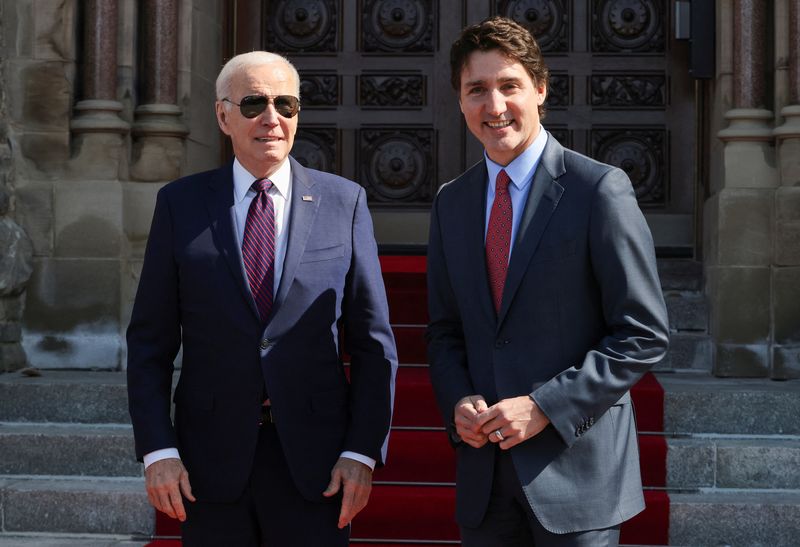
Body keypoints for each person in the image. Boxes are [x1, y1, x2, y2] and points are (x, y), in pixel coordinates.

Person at [127, 51, 397, 546]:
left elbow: (374, 345)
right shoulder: (180, 205)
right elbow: (149, 343)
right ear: (222, 115)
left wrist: (361, 453)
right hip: (208, 465)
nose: (272, 118)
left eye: (286, 104)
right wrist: (158, 450)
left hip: (316, 464)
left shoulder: (345, 202)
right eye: (253, 103)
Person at [426, 17, 669, 547]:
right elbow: (444, 330)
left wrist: (543, 407)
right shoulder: (452, 202)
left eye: (509, 85)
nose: (494, 106)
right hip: (485, 482)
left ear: (539, 89)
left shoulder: (599, 189)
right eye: (477, 90)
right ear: (460, 101)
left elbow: (643, 333)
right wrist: (457, 402)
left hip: (577, 479)